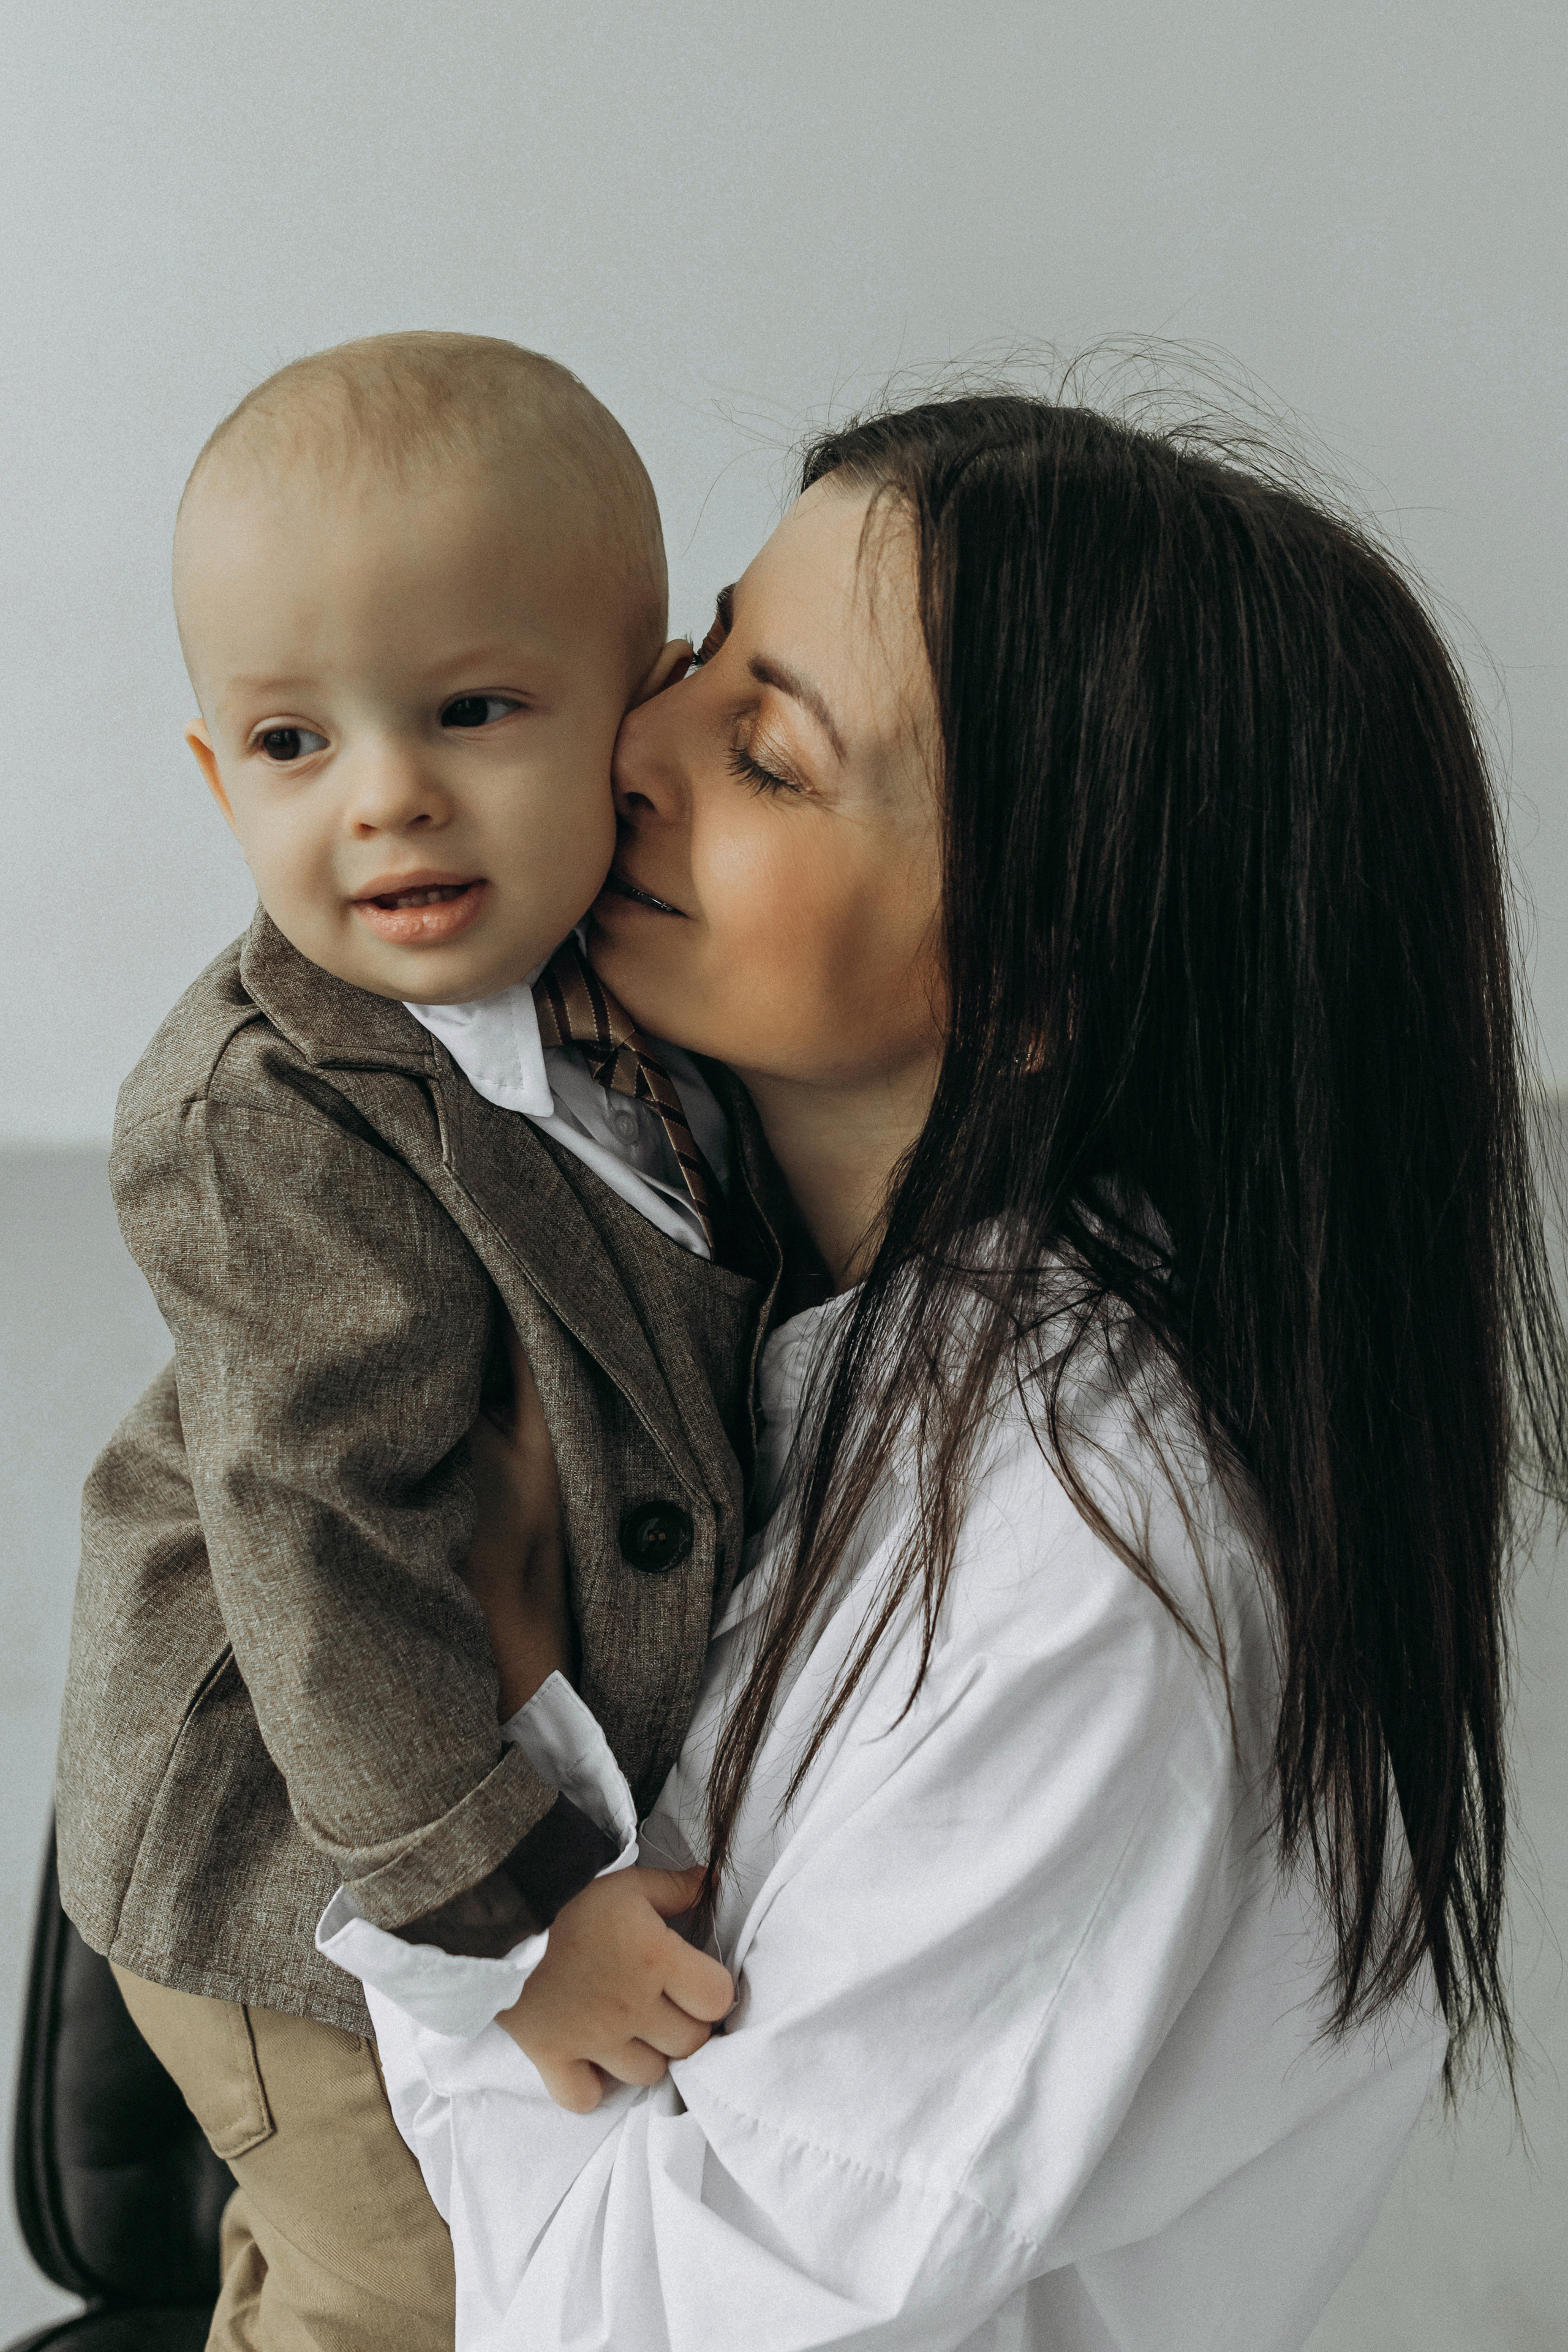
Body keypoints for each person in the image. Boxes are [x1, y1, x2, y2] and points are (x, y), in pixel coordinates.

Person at [343, 390, 1567, 2351]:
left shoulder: (1090, 1575)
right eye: (697, 652)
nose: (625, 744)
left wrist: (485, 1762)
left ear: (1031, 991)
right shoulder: (739, 1289)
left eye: (765, 750)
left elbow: (632, 2325)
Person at [55, 331, 775, 2351]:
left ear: (634, 721)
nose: (386, 797)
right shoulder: (268, 1114)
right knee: (426, 2286)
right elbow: (319, 1549)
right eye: (293, 744)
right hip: (310, 1853)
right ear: (216, 773)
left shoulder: (621, 1002)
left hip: (459, 1769)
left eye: (472, 709)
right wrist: (520, 1922)